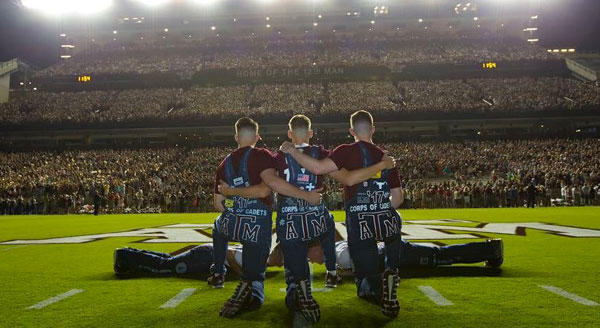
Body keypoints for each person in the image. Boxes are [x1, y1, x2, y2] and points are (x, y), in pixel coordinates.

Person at [220, 114, 396, 323]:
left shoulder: (276, 157)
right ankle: (331, 271)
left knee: (291, 251)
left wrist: (232, 191)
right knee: (329, 226)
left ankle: (298, 288)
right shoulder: (321, 154)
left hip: (289, 216)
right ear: (311, 133)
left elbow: (269, 185)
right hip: (316, 217)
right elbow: (348, 179)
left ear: (289, 134)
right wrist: (382, 166)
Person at [280, 110, 404, 318]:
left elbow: (321, 170)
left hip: (355, 219)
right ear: (373, 129)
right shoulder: (386, 157)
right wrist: (380, 203)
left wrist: (292, 151)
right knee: (393, 226)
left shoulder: (344, 150)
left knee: (361, 269)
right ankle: (389, 270)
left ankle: (370, 285)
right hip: (384, 216)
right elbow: (398, 199)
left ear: (351, 131)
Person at [210, 117, 322, 319]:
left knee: (218, 227)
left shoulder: (223, 164)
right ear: (257, 137)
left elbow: (218, 204)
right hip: (258, 223)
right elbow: (265, 190)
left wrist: (234, 198)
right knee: (273, 259)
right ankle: (287, 291)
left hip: (234, 221)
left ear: (236, 137)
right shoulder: (263, 156)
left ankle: (221, 274)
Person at [112, 238, 504, 278]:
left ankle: (489, 250)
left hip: (394, 254)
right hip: (205, 259)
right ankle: (126, 257)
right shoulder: (336, 252)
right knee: (165, 266)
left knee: (442, 259)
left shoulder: (339, 254)